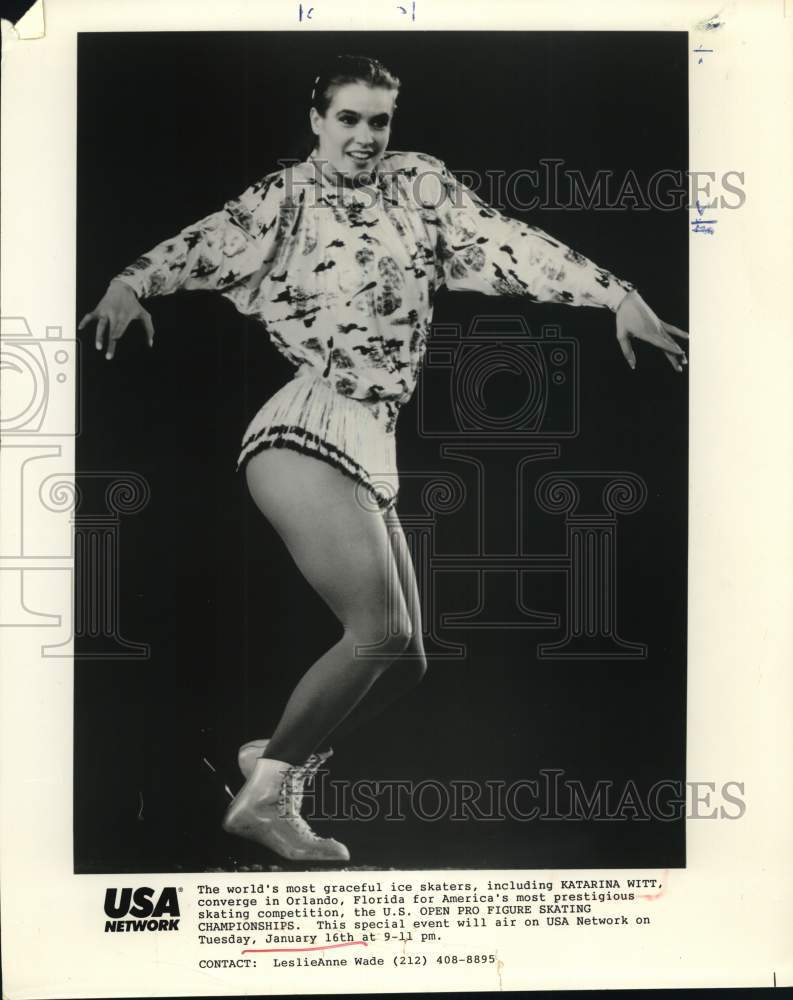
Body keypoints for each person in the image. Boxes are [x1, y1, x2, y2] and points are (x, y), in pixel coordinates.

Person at [78, 53, 688, 864]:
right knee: (379, 631)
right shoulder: (282, 198)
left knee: (406, 658)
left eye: (379, 120)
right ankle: (263, 799)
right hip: (306, 427)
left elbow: (504, 240)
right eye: (348, 118)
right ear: (316, 120)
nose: (365, 135)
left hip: (370, 439)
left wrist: (617, 294)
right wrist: (130, 282)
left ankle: (274, 760)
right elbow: (205, 243)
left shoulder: (419, 187)